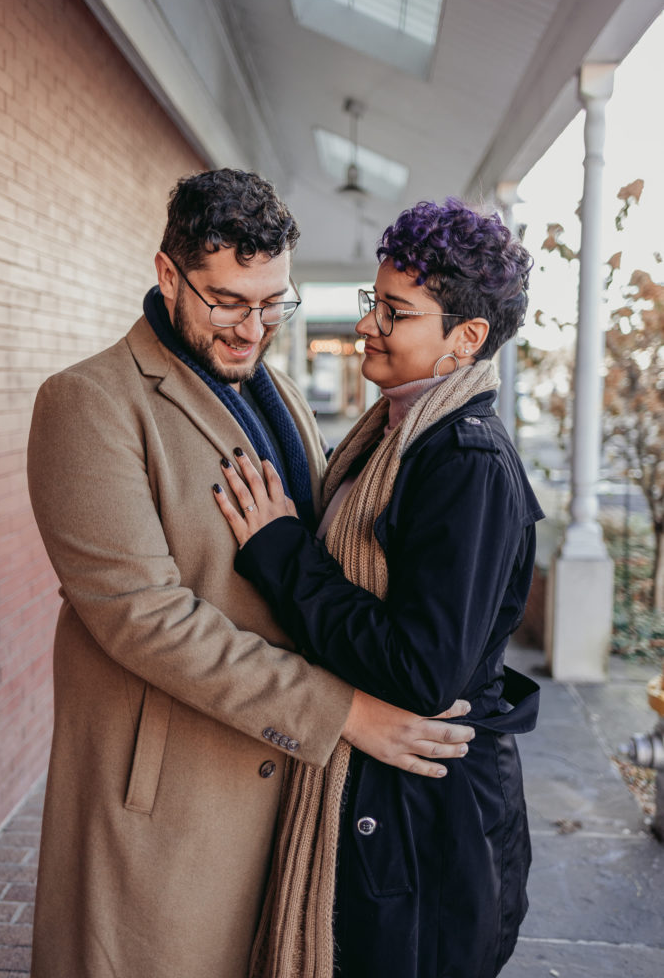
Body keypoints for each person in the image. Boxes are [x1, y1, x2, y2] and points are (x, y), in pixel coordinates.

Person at [26, 170, 474, 978]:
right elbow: (144, 617)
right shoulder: (85, 404)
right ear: (168, 277)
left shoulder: (281, 394)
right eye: (228, 301)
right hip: (169, 809)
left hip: (284, 797)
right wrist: (343, 712)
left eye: (273, 304)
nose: (252, 329)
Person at [214, 196, 544, 978]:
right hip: (387, 809)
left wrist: (280, 551)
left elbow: (418, 669)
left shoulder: (463, 463)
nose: (368, 325)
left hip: (426, 826)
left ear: (464, 339)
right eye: (373, 302)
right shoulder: (395, 436)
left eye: (395, 312)